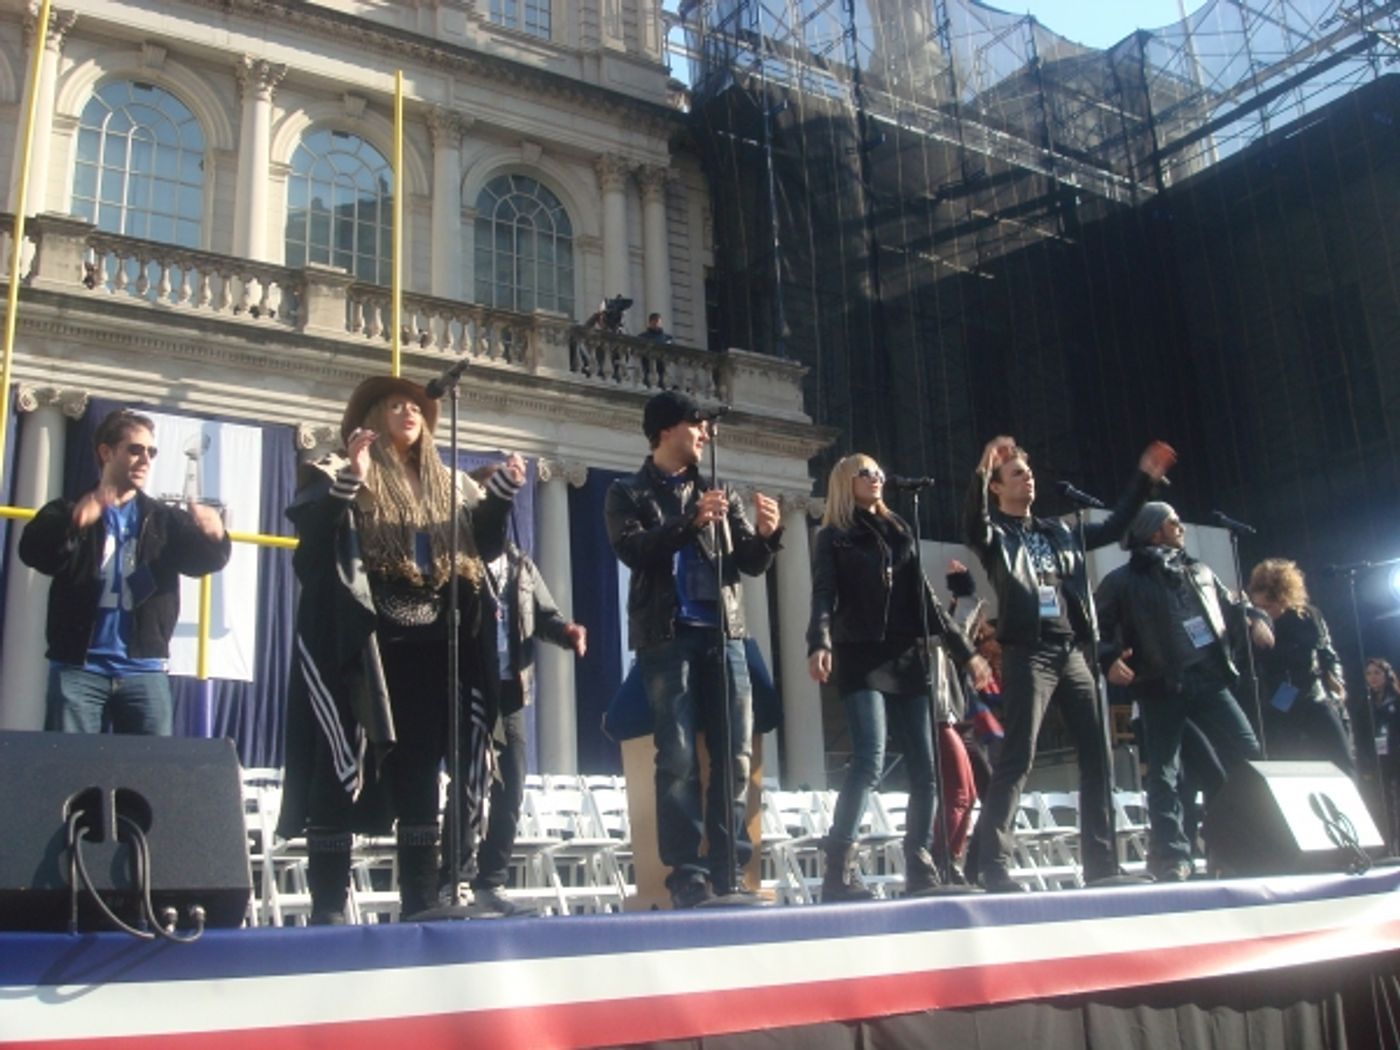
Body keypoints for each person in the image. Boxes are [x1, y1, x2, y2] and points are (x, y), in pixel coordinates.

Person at [277, 374, 523, 923]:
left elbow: (482, 547)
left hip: (433, 645)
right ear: (369, 417)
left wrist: (501, 495)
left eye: (415, 405)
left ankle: (422, 900)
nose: (409, 411)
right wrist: (352, 484)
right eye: (395, 405)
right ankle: (328, 908)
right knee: (343, 762)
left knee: (419, 769)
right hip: (363, 644)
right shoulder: (333, 469)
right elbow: (313, 548)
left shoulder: (454, 484)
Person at [964, 435, 1173, 893]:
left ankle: (1101, 865)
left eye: (1029, 471)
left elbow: (1117, 524)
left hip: (1072, 649)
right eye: (1017, 473)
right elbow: (972, 519)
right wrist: (984, 466)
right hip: (1028, 652)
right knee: (1017, 758)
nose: (1028, 476)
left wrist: (1144, 479)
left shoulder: (1060, 530)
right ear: (998, 488)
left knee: (1097, 754)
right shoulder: (995, 535)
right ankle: (990, 865)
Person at [604, 389, 782, 909]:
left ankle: (730, 868)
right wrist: (690, 522)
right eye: (696, 424)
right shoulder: (628, 492)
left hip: (724, 633)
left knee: (734, 752)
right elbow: (634, 549)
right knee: (678, 755)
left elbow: (749, 562)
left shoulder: (718, 491)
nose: (705, 434)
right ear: (666, 430)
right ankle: (685, 872)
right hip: (668, 636)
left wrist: (768, 536)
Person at [807, 455, 991, 900]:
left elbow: (926, 600)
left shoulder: (900, 531)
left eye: (879, 472)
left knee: (926, 770)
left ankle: (921, 863)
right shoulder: (834, 536)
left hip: (907, 655)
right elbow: (824, 594)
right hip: (861, 652)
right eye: (866, 472)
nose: (877, 478)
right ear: (845, 482)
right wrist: (820, 641)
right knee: (869, 757)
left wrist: (966, 654)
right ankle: (839, 868)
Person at [20, 408, 231, 735]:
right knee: (71, 774)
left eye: (151, 451)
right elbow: (33, 552)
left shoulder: (162, 518)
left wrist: (216, 536)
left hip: (143, 670)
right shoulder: (68, 508)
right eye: (135, 449)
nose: (145, 459)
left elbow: (204, 562)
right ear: (106, 452)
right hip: (79, 669)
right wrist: (74, 523)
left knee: (148, 776)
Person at [1095, 502, 1266, 881]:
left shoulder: (1199, 571)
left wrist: (1256, 618)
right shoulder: (1123, 581)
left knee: (1248, 753)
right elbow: (1096, 627)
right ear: (1155, 530)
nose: (1181, 527)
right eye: (1173, 521)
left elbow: (1231, 607)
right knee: (1164, 772)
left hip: (1209, 680)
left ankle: (1243, 843)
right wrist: (1108, 658)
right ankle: (1171, 854)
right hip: (1161, 685)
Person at [458, 535, 587, 916]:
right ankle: (455, 879)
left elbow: (545, 616)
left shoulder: (520, 564)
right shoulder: (460, 555)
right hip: (469, 686)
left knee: (510, 786)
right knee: (469, 784)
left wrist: (567, 632)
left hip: (510, 690)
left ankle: (491, 881)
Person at [1246, 558, 1354, 775]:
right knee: (1289, 763)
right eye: (1259, 606)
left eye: (1268, 606)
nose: (1264, 611)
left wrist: (1336, 679)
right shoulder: (1255, 624)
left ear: (1284, 598)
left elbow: (1326, 651)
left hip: (1313, 693)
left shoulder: (1309, 615)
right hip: (1280, 699)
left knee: (1342, 760)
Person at [1364, 658, 1400, 849]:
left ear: (1386, 675)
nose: (1373, 678)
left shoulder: (1396, 698)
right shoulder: (1366, 702)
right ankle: (1389, 842)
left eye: (1377, 673)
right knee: (1384, 800)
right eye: (1369, 674)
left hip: (1397, 754)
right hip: (1379, 758)